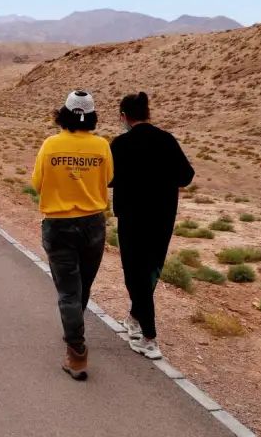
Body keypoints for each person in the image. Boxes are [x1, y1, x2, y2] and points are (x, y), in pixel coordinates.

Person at [31, 90, 113, 381]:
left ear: (64, 114)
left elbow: (37, 183)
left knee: (68, 290)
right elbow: (108, 179)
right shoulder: (102, 146)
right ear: (91, 117)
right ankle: (74, 331)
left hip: (59, 225)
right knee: (83, 285)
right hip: (92, 225)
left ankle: (77, 352)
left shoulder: (51, 145)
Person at [110, 92, 194, 361]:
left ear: (124, 116)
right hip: (162, 217)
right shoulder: (167, 140)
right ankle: (134, 318)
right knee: (150, 271)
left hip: (132, 218)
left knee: (134, 274)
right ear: (147, 114)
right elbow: (187, 176)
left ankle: (149, 338)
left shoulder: (120, 144)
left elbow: (109, 179)